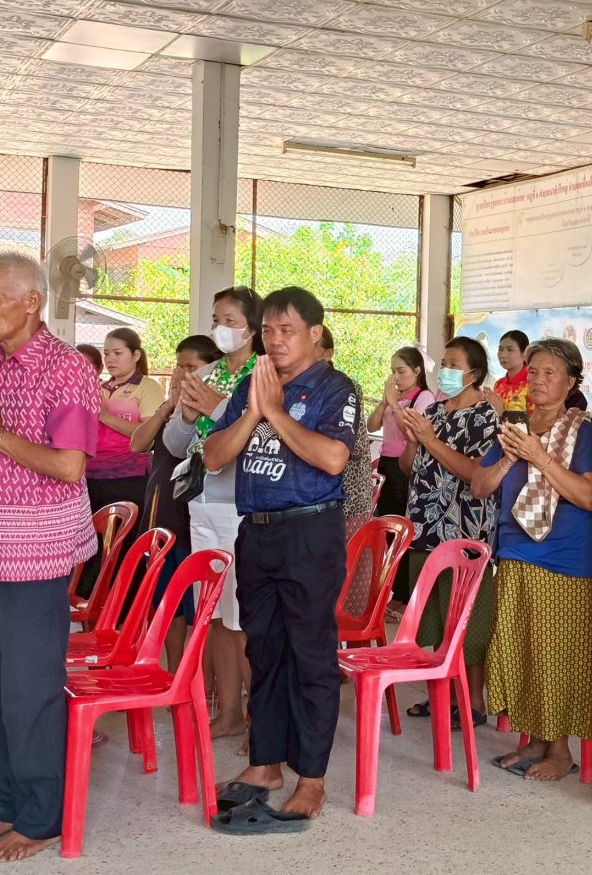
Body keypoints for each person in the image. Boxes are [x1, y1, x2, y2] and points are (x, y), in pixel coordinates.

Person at [0, 251, 100, 862]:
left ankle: (42, 818)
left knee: (29, 690)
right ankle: (9, 804)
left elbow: (68, 466)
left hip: (38, 550)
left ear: (31, 302)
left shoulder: (66, 369)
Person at [203, 286, 358, 828]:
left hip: (310, 533)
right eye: (267, 330)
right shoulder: (255, 381)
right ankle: (265, 764)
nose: (275, 340)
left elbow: (333, 458)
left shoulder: (335, 387)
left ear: (314, 334)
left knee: (311, 655)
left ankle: (311, 778)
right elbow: (214, 455)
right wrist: (254, 411)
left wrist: (274, 412)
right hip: (257, 532)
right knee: (264, 651)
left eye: (286, 330)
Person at [474, 338, 592, 780]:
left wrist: (540, 457)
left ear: (571, 383)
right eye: (535, 371)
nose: (540, 380)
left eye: (551, 373)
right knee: (519, 650)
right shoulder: (515, 427)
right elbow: (479, 486)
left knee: (555, 655)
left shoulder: (581, 430)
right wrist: (510, 458)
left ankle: (560, 752)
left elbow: (589, 496)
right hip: (514, 550)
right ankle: (533, 741)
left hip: (562, 557)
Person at [162, 286, 261, 740]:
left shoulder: (265, 375)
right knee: (215, 614)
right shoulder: (208, 373)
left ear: (253, 327)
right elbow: (176, 445)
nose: (221, 329)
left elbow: (264, 438)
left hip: (242, 507)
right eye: (217, 320)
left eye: (230, 321)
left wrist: (216, 407)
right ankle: (229, 713)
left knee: (243, 621)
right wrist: (185, 414)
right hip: (201, 504)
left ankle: (259, 717)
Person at [397, 336, 499, 728]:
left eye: (454, 365)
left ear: (474, 373)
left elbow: (475, 473)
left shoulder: (484, 416)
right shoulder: (434, 412)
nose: (446, 371)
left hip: (463, 530)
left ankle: (472, 702)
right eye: (444, 363)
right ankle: (441, 694)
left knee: (467, 621)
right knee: (434, 619)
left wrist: (429, 439)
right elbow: (410, 468)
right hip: (425, 527)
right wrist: (413, 441)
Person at [130, 334, 223, 672]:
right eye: (179, 367)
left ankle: (201, 679)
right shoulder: (172, 410)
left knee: (198, 604)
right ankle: (172, 672)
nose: (183, 374)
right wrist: (168, 407)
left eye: (192, 367)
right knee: (166, 602)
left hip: (194, 517)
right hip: (162, 513)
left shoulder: (216, 412)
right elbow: (137, 444)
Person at [86, 327, 162, 515]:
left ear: (136, 355)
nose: (110, 359)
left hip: (129, 475)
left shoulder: (147, 387)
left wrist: (106, 416)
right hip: (90, 473)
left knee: (124, 532)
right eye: (106, 353)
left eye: (117, 353)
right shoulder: (99, 387)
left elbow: (149, 433)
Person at [367, 345, 435, 519]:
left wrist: (395, 406)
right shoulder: (394, 397)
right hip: (386, 462)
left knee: (401, 516)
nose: (396, 377)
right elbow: (371, 426)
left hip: (405, 465)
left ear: (417, 371)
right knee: (385, 515)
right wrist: (384, 403)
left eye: (401, 371)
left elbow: (411, 432)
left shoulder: (424, 397)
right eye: (393, 371)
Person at [321, 325, 373, 543]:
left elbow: (356, 447)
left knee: (347, 560)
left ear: (328, 353)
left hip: (348, 495)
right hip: (319, 499)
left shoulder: (345, 387)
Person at [484, 330, 529, 417]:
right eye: (500, 349)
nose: (502, 355)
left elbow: (536, 422)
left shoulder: (532, 383)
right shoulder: (499, 384)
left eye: (510, 350)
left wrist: (503, 413)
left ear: (524, 355)